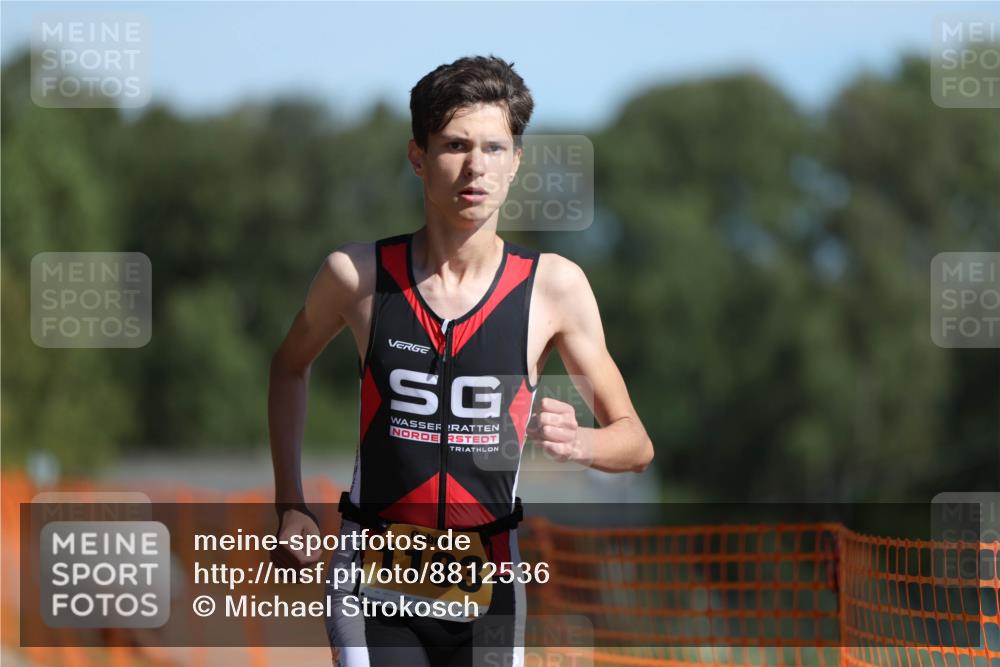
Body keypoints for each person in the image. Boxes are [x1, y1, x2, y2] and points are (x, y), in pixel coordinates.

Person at [268, 54, 654, 667]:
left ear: (516, 161)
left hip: (491, 588)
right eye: (454, 145)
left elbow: (635, 444)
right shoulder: (357, 275)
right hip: (376, 580)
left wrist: (580, 443)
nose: (476, 166)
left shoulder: (554, 288)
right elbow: (288, 367)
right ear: (417, 156)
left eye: (495, 148)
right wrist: (290, 502)